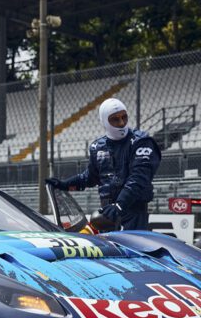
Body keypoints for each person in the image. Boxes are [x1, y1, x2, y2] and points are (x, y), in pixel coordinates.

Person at [47, 98, 161, 231]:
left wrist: (119, 205)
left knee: (131, 250)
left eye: (124, 117)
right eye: (115, 119)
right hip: (107, 214)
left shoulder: (141, 141)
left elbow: (139, 178)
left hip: (133, 213)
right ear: (104, 121)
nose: (121, 122)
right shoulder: (97, 147)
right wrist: (64, 184)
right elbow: (90, 177)